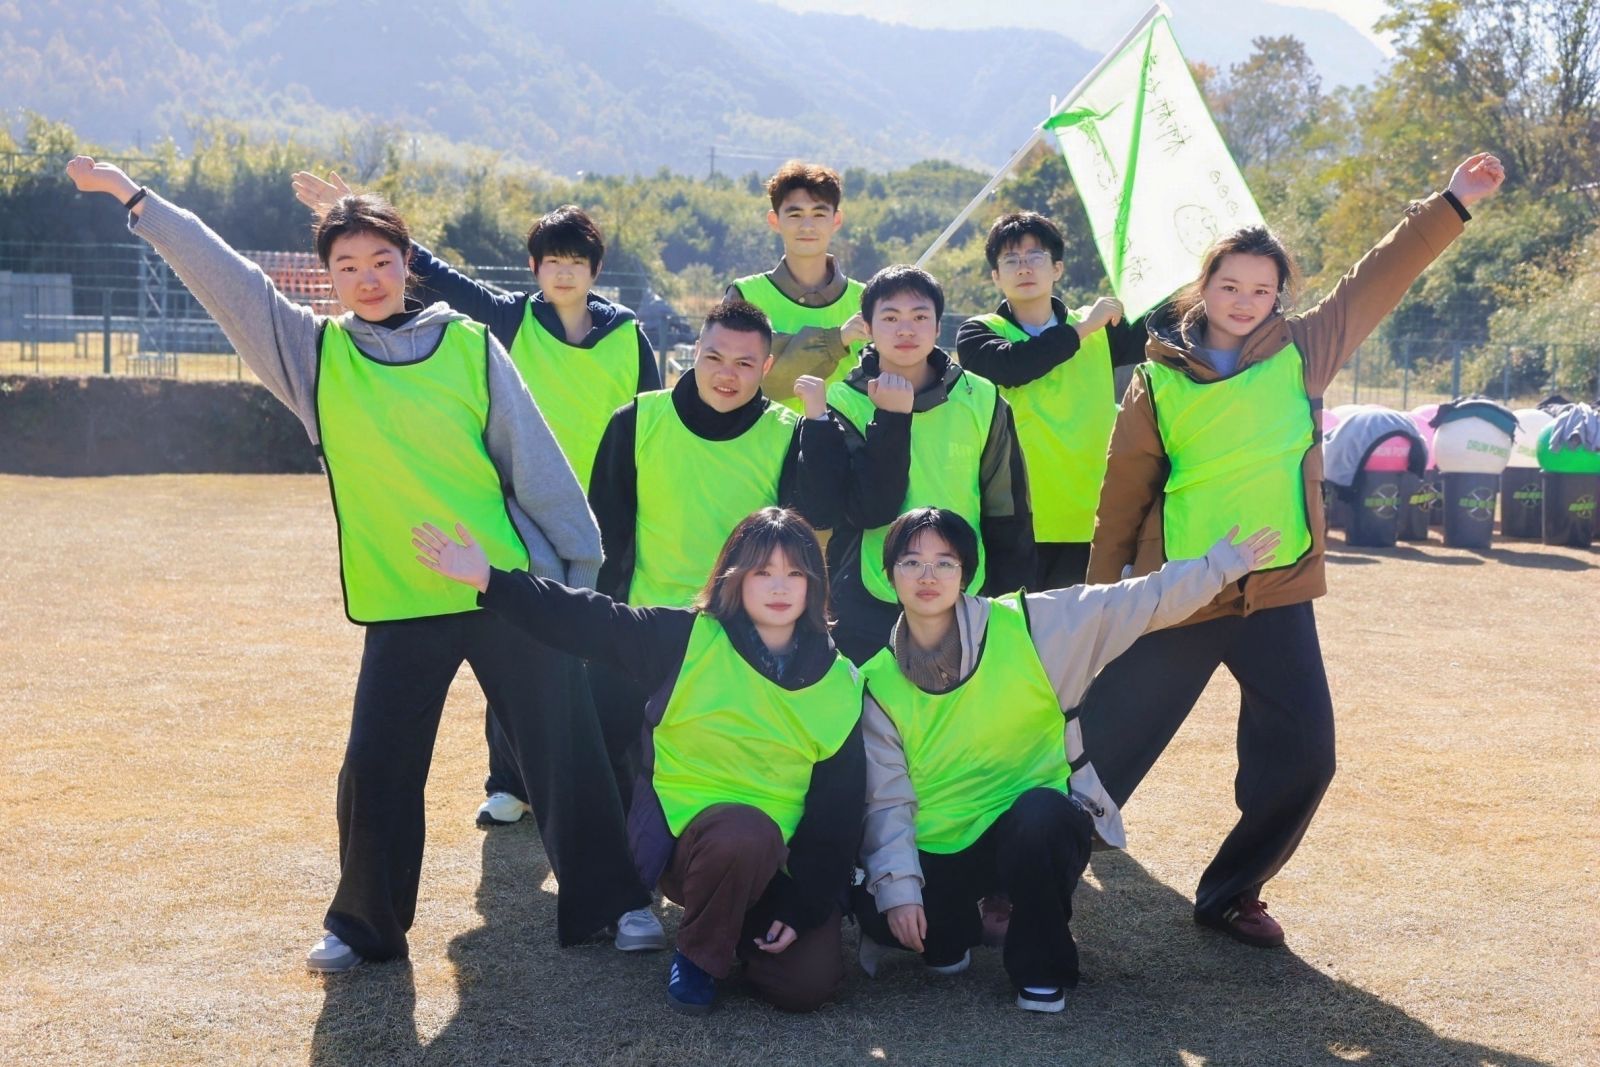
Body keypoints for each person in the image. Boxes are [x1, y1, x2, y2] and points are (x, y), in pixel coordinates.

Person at [64, 155, 649, 973]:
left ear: (408, 264)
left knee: (567, 750)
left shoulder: (470, 345)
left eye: (382, 260)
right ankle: (363, 925)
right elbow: (228, 280)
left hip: (504, 587)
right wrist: (136, 199)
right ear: (326, 277)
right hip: (401, 597)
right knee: (376, 767)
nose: (368, 278)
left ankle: (616, 904)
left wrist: (575, 578)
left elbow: (536, 465)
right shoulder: (313, 356)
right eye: (348, 266)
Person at [1078, 152, 1506, 948]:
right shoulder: (1157, 378)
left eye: (1261, 289)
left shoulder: (1304, 349)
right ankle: (1024, 881)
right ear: (1203, 287)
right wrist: (1101, 600)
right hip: (1180, 591)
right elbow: (1121, 495)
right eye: (1229, 285)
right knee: (1099, 748)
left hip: (1274, 591)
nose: (1244, 301)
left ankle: (1232, 892)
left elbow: (1377, 279)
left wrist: (1452, 200)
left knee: (1307, 754)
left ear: (1279, 295)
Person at [290, 175, 662, 854]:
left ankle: (611, 784)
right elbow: (436, 277)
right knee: (515, 644)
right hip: (528, 514)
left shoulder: (628, 334)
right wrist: (370, 222)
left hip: (602, 509)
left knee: (593, 650)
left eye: (576, 262)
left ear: (595, 269)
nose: (564, 273)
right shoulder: (513, 321)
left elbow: (653, 416)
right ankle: (508, 781)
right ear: (534, 268)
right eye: (552, 261)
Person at [413, 508, 864, 1015]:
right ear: (734, 578)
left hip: (777, 864)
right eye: (763, 571)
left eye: (795, 573)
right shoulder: (687, 639)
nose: (779, 587)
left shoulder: (840, 683)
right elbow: (593, 621)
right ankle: (699, 955)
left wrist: (801, 908)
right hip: (692, 847)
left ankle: (736, 928)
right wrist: (491, 581)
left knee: (804, 986)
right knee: (744, 833)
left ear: (814, 584)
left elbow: (838, 816)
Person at [855, 508, 1279, 1012]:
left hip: (1029, 827)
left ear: (966, 573)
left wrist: (1217, 568)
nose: (928, 576)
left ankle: (1040, 969)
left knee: (1043, 817)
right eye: (911, 562)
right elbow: (887, 801)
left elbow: (1132, 601)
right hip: (942, 846)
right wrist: (901, 892)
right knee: (882, 910)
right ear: (889, 575)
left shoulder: (1031, 623)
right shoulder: (876, 681)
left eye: (944, 562)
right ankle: (952, 932)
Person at [823, 265, 1035, 665]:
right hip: (871, 596)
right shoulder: (841, 401)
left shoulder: (981, 397)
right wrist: (891, 417)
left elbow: (1007, 510)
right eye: (890, 318)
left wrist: (1009, 601)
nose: (906, 330)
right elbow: (866, 509)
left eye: (920, 317)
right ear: (867, 327)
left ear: (938, 327)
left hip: (967, 591)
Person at [956, 211, 1150, 588]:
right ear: (995, 276)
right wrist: (1082, 329)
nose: (1024, 267)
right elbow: (1014, 366)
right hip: (1013, 521)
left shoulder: (1102, 328)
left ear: (1057, 268)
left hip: (1093, 520)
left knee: (1089, 625)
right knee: (1018, 623)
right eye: (1011, 259)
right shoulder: (979, 333)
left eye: (1035, 256)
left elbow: (1171, 329)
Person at [726, 161, 869, 408]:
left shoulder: (867, 301)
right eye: (795, 215)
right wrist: (838, 340)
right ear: (774, 220)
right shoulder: (744, 295)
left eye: (819, 214)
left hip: (845, 434)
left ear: (836, 220)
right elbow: (750, 379)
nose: (807, 226)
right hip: (762, 433)